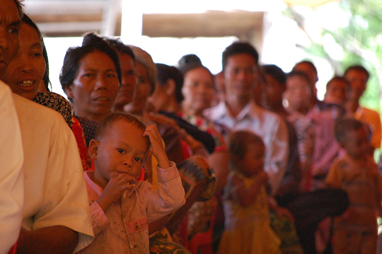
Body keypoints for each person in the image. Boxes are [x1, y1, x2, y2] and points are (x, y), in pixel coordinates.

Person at [79, 112, 185, 253]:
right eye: (121, 150)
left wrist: (160, 154)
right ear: (95, 150)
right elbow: (77, 238)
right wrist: (107, 198)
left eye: (137, 159)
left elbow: (173, 200)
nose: (129, 162)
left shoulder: (138, 193)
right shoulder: (78, 191)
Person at [204, 41, 289, 195]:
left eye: (249, 71)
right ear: (223, 76)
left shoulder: (273, 123)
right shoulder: (207, 119)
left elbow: (272, 175)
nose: (242, 77)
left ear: (257, 75)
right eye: (235, 71)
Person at [217, 130, 281, 254]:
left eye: (263, 156)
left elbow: (260, 200)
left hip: (260, 235)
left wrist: (276, 208)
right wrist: (258, 183)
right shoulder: (234, 179)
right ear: (237, 159)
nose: (262, 161)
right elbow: (245, 201)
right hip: (241, 238)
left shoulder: (253, 178)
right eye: (257, 157)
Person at [326, 118, 382, 254]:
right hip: (346, 227)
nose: (365, 146)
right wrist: (341, 210)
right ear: (343, 146)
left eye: (366, 141)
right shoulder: (340, 167)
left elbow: (378, 190)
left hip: (368, 225)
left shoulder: (371, 166)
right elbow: (332, 192)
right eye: (359, 143)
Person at [344, 65, 381, 151]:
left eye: (362, 81)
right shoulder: (332, 113)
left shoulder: (373, 116)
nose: (358, 85)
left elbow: (372, 149)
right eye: (353, 80)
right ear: (344, 82)